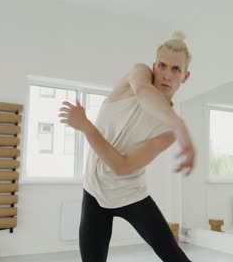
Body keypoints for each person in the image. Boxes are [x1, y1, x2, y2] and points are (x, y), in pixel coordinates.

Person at [59, 31, 195, 262]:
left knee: (173, 256)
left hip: (132, 195)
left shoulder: (169, 130)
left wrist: (86, 126)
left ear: (185, 76)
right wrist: (179, 123)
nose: (166, 75)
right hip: (94, 192)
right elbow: (143, 92)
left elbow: (122, 166)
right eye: (162, 65)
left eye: (175, 69)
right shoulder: (138, 74)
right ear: (153, 65)